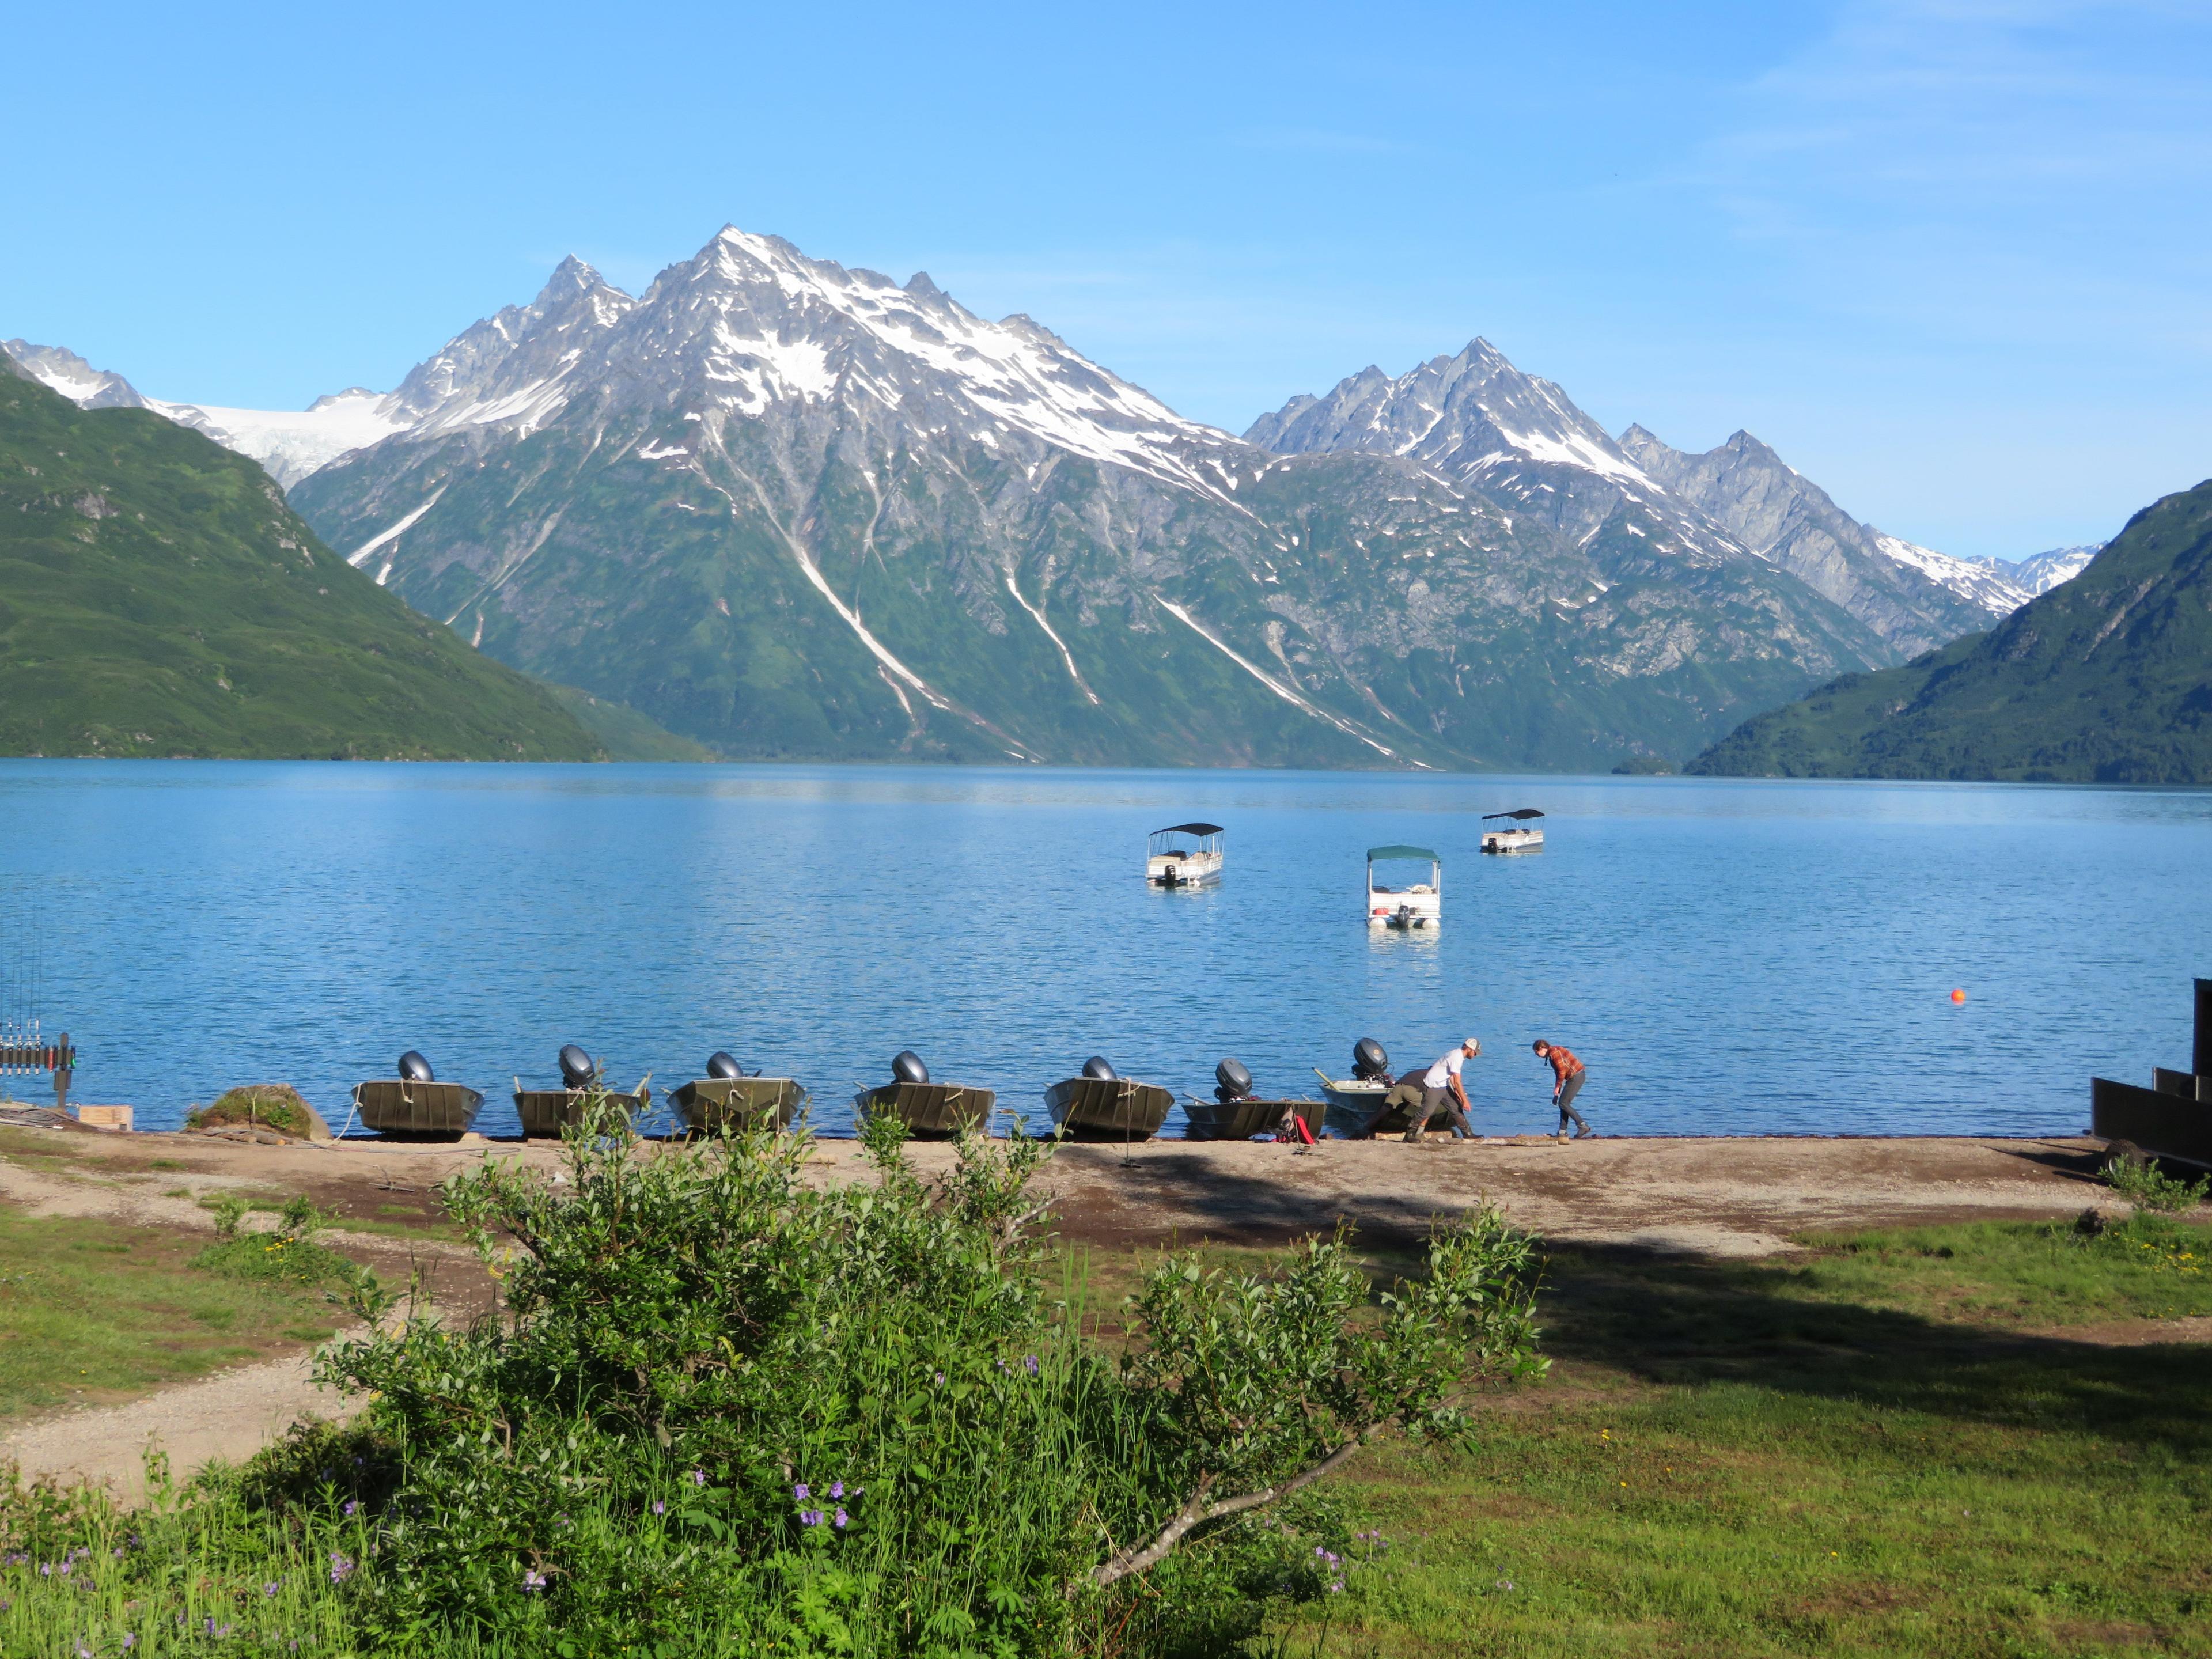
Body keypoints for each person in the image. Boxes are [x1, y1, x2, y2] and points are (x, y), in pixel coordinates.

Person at [1404, 1038, 1480, 1143]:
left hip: (1444, 1085)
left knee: (1456, 1108)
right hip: (1434, 1085)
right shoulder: (1456, 1057)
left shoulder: (1458, 1055)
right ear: (1469, 1049)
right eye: (1475, 1053)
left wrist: (1458, 1094)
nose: (1475, 1055)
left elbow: (1452, 1077)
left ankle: (1468, 1134)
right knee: (1426, 1112)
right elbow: (1458, 1082)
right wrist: (1465, 1100)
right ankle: (1409, 1134)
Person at [1532, 1039, 1592, 1140]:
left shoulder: (1554, 1053)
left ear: (1542, 1048)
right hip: (1574, 1077)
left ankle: (1582, 1126)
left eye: (1537, 1052)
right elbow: (1559, 1072)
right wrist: (1558, 1091)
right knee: (1564, 1104)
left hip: (1577, 1076)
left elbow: (1562, 1071)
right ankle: (1562, 1132)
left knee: (1563, 1103)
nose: (1537, 1055)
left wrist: (1558, 1086)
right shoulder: (1552, 1054)